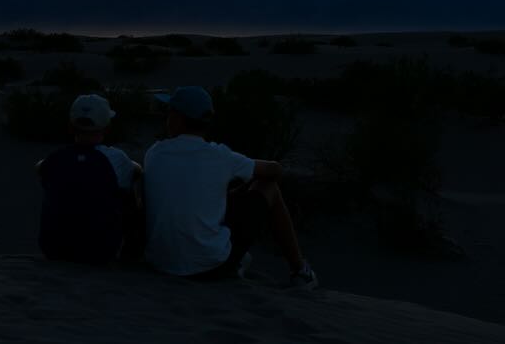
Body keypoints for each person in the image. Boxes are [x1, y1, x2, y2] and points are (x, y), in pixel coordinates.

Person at [143, 85, 317, 288]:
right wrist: (246, 174)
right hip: (208, 267)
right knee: (268, 187)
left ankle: (241, 261)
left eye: (169, 112)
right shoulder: (220, 157)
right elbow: (274, 171)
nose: (167, 117)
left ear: (178, 118)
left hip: (160, 263)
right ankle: (300, 271)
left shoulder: (154, 153)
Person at [36, 93, 143, 264]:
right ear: (107, 127)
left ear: (71, 127)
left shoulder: (56, 159)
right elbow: (137, 171)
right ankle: (132, 252)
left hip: (54, 249)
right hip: (99, 251)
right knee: (129, 193)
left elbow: (40, 168)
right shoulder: (116, 159)